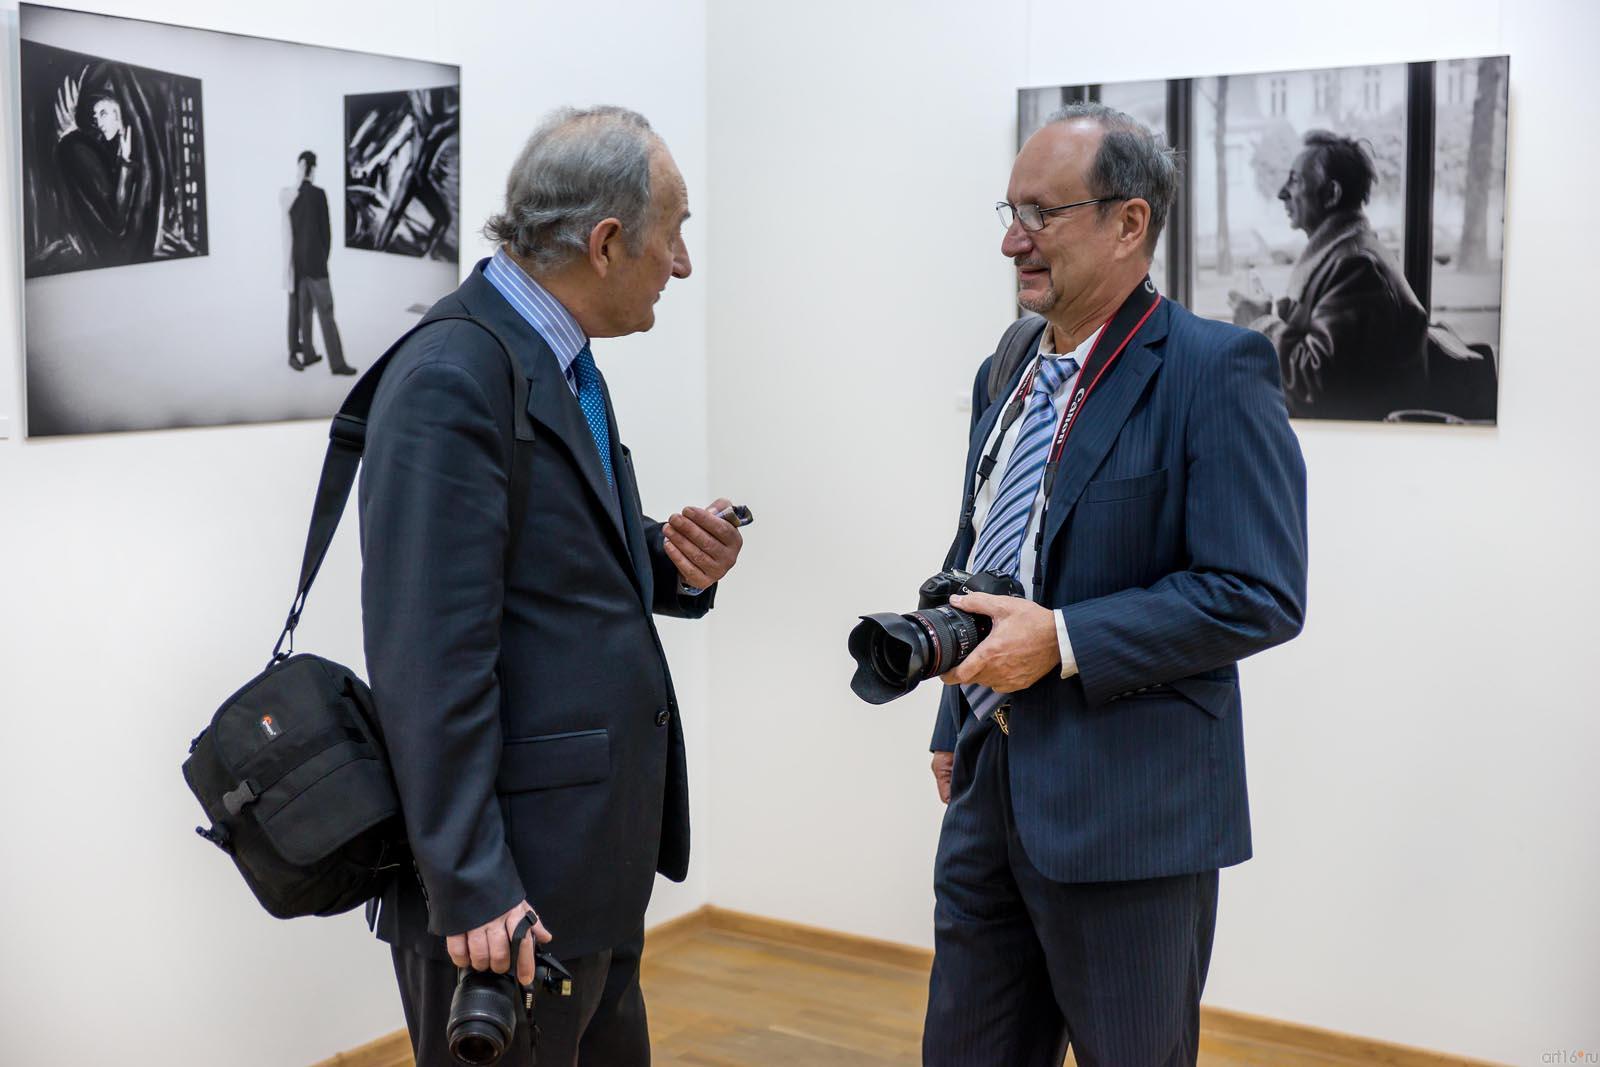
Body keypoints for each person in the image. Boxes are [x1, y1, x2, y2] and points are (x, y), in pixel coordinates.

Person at [923, 103, 1308, 1066]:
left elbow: (1257, 590)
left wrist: (1061, 640)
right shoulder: (1005, 364)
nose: (1014, 240)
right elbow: (984, 541)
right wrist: (950, 716)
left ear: (1128, 223)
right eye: (1008, 211)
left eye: (1041, 214)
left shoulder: (1218, 371)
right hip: (990, 786)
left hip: (1133, 815)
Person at [359, 106, 742, 1066]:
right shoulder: (455, 374)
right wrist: (473, 879)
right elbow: (425, 658)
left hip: (584, 869)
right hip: (507, 895)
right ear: (608, 243)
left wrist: (667, 558)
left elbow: (539, 565)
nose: (683, 263)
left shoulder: (554, 359)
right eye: (676, 232)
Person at [1230, 130, 1428, 420]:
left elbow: (1317, 384)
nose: (1282, 192)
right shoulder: (1351, 255)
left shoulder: (1357, 267)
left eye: (1295, 180)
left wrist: (1261, 323)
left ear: (1332, 194)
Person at [289, 150, 355, 375]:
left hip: (299, 265)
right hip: (316, 264)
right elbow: (326, 233)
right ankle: (337, 364)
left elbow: (291, 233)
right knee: (326, 313)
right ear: (313, 169)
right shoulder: (319, 194)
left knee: (305, 312)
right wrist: (323, 257)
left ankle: (308, 354)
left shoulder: (294, 195)